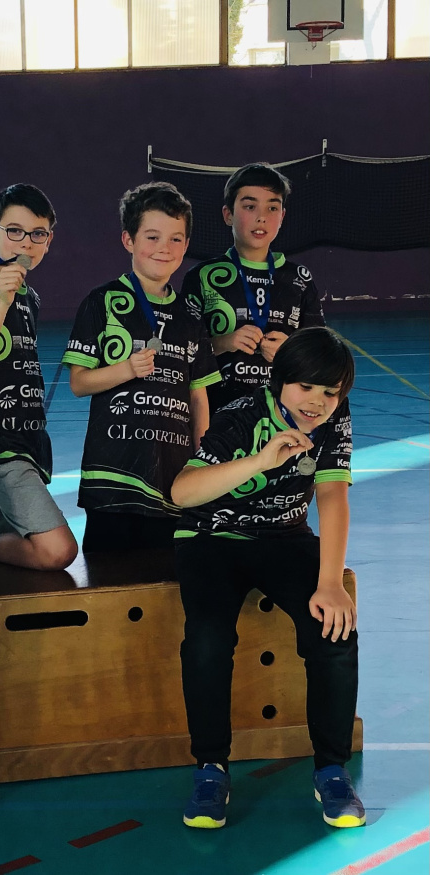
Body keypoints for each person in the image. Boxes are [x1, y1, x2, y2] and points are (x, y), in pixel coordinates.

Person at [171, 327, 363, 830]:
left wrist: (330, 583)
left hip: (283, 537)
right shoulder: (240, 415)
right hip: (212, 537)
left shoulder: (335, 418)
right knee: (207, 639)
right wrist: (259, 461)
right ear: (280, 382)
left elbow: (333, 496)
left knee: (334, 630)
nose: (317, 402)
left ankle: (332, 770)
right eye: (306, 387)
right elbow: (182, 492)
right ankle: (211, 768)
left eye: (330, 392)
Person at [63, 182, 221, 553]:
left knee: (166, 580)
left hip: (173, 480)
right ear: (128, 240)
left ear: (186, 245)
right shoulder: (102, 302)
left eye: (176, 239)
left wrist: (203, 459)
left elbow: (198, 396)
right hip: (112, 481)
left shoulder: (190, 317)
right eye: (152, 237)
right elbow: (79, 383)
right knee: (108, 579)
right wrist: (127, 369)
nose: (164, 248)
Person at [0, 184, 77, 571]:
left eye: (37, 233)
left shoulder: (31, 298)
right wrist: (2, 303)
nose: (26, 242)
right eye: (15, 231)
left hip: (28, 441)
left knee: (12, 561)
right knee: (58, 550)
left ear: (48, 241)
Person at [181, 163, 325, 413]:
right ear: (228, 214)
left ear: (282, 216)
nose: (262, 217)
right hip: (218, 415)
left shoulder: (299, 279)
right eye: (250, 206)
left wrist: (290, 352)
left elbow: (322, 355)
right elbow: (181, 353)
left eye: (272, 208)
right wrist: (223, 342)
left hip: (282, 417)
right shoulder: (201, 277)